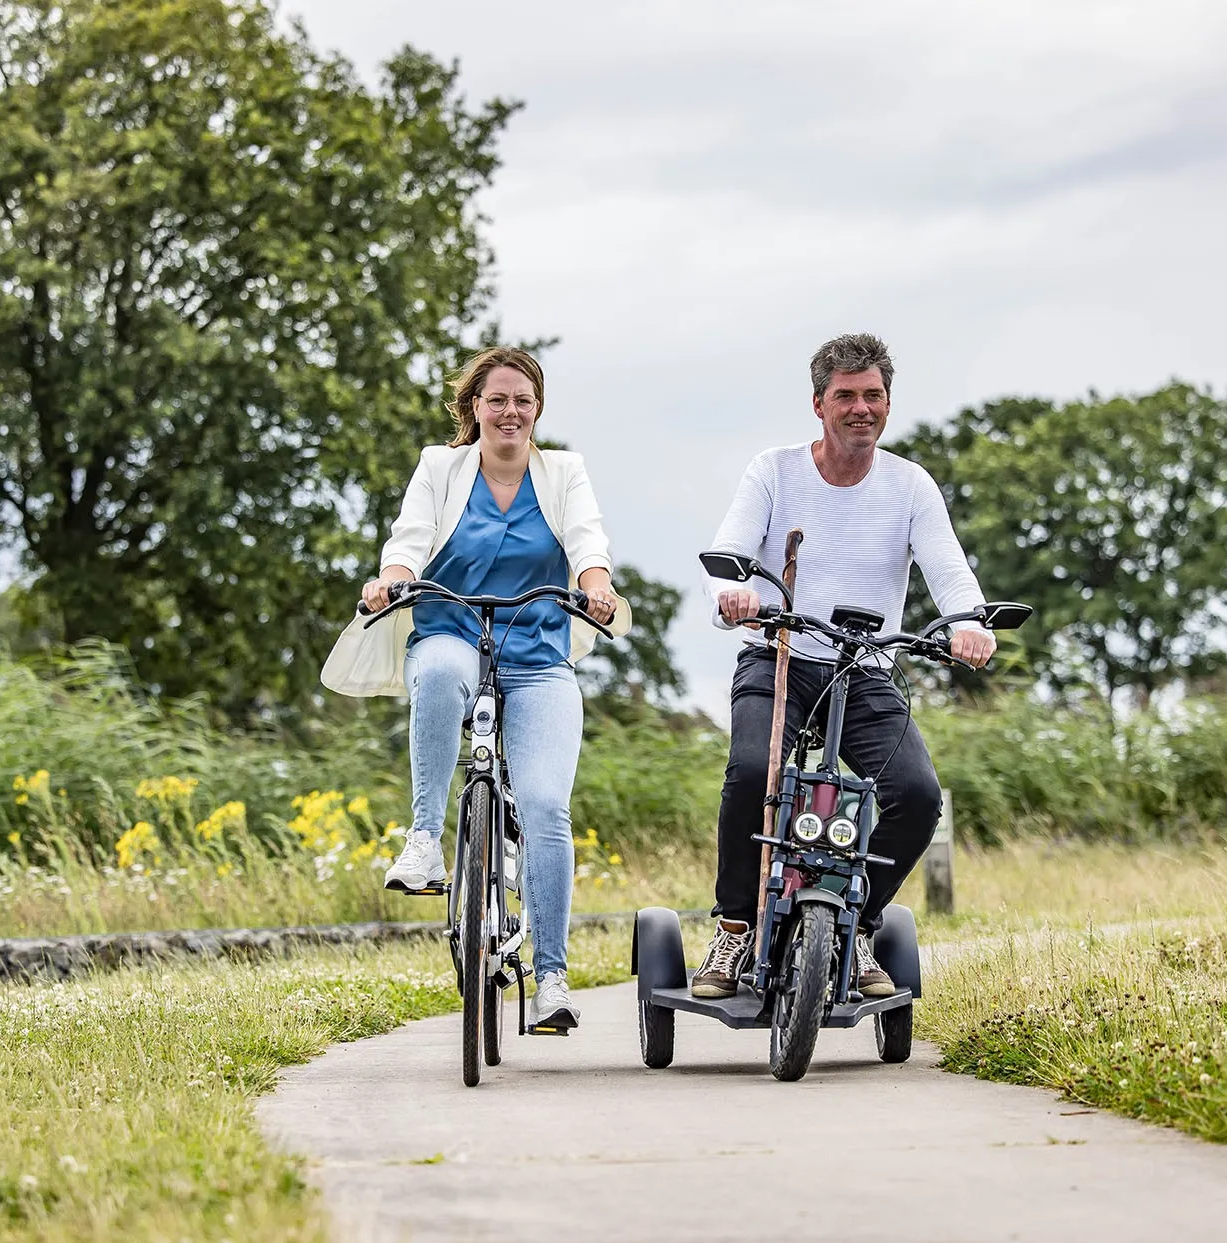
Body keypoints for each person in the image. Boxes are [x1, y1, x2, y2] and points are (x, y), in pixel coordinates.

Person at [320, 347, 627, 1031]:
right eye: (497, 400)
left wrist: (596, 587)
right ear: (475, 408)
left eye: (523, 400)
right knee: (432, 674)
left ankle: (551, 976)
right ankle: (425, 837)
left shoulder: (565, 472)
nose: (510, 411)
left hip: (539, 650)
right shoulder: (441, 467)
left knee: (547, 807)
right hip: (453, 630)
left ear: (537, 408)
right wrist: (389, 577)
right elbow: (410, 537)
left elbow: (587, 542)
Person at [692, 332, 995, 1000]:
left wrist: (969, 623)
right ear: (819, 403)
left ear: (887, 401)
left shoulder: (909, 484)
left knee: (916, 795)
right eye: (846, 396)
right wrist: (734, 596)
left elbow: (948, 569)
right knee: (751, 773)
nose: (861, 408)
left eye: (873, 395)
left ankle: (855, 922)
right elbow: (728, 553)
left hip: (864, 670)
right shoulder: (773, 470)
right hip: (780, 655)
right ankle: (736, 928)